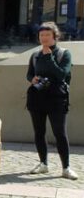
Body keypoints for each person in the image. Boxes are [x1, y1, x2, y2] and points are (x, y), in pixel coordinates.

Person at [25, 22, 77, 179]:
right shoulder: (35, 55)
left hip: (57, 99)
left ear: (55, 37)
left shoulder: (64, 54)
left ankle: (66, 168)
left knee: (59, 133)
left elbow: (62, 75)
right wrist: (32, 79)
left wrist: (49, 57)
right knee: (39, 132)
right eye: (41, 35)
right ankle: (43, 164)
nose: (44, 38)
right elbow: (29, 74)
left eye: (47, 35)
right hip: (37, 98)